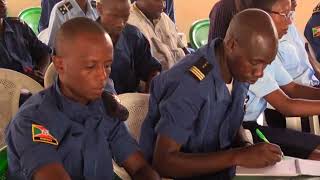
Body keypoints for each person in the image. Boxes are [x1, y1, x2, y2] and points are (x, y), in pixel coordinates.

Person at [5, 17, 160, 180]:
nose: (102, 76)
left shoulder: (105, 108)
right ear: (59, 65)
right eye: (90, 66)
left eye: (107, 65)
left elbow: (139, 167)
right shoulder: (32, 120)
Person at [139, 9, 282, 179]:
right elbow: (164, 162)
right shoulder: (191, 84)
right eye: (255, 63)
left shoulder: (238, 68)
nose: (260, 73)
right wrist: (237, 156)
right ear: (232, 45)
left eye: (266, 65)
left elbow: (231, 118)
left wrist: (245, 146)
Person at [243, 0, 320, 161]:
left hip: (254, 127)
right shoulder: (252, 52)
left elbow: (292, 88)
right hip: (244, 131)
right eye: (285, 15)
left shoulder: (267, 44)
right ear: (264, 15)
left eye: (290, 14)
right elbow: (286, 106)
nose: (290, 21)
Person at [97, 0, 161, 94]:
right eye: (114, 16)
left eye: (125, 17)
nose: (120, 23)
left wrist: (150, 95)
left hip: (131, 102)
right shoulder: (85, 38)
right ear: (99, 9)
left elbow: (152, 70)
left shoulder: (133, 35)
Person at [0, 0, 50, 84]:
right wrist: (24, 79)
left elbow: (44, 53)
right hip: (8, 93)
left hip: (35, 86)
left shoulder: (19, 26)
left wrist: (39, 73)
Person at [128, 0, 187, 70]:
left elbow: (183, 48)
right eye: (158, 0)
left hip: (180, 73)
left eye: (164, 1)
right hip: (158, 78)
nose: (164, 6)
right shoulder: (130, 24)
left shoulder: (164, 18)